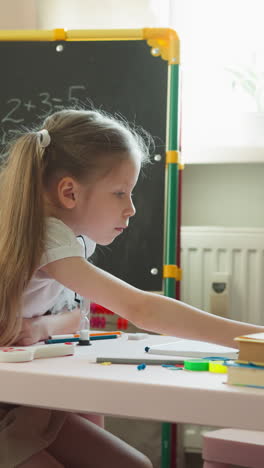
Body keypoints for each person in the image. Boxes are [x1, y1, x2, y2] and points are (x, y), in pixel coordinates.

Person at [0, 108, 263, 468]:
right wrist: (252, 337)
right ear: (69, 192)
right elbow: (142, 310)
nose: (131, 209)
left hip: (20, 401)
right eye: (120, 193)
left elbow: (77, 316)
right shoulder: (48, 236)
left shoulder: (67, 240)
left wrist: (38, 328)